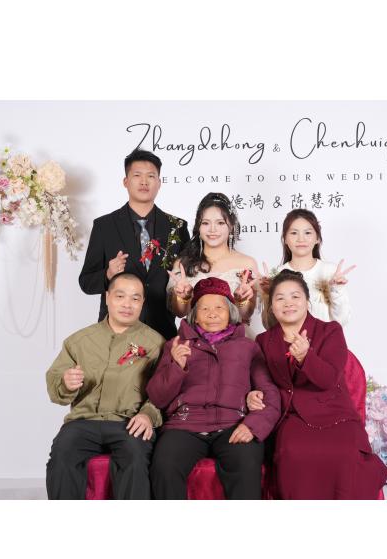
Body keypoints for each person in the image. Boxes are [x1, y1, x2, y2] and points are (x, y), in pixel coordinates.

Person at [250, 269, 387, 499]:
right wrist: (253, 394)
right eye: (280, 298)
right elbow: (262, 381)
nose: (288, 303)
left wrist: (307, 357)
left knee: (345, 453)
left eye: (295, 296)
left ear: (307, 302)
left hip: (334, 413)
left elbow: (329, 379)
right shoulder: (264, 340)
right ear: (272, 306)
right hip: (292, 416)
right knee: (292, 452)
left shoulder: (330, 331)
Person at [147, 277, 280, 500]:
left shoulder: (248, 347)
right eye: (204, 309)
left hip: (233, 424)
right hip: (184, 425)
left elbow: (270, 393)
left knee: (246, 464)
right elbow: (157, 397)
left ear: (230, 313)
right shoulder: (175, 345)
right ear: (194, 315)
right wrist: (176, 367)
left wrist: (253, 426)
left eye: (219, 308)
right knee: (165, 466)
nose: (212, 314)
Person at [45, 272, 165, 500]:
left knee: (135, 458)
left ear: (143, 302)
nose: (127, 304)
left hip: (129, 422)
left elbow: (163, 391)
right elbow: (56, 383)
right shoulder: (79, 341)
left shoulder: (155, 343)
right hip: (83, 422)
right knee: (62, 456)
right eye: (120, 296)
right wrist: (66, 383)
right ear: (107, 297)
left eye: (135, 298)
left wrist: (148, 414)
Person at [79, 148, 190, 340]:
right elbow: (86, 282)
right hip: (115, 334)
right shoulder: (104, 226)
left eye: (151, 176)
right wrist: (108, 274)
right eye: (137, 175)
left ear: (159, 183)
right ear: (126, 181)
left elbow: (187, 278)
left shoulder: (177, 227)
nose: (144, 182)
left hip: (163, 332)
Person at [167, 192, 257, 324]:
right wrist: (183, 298)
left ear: (231, 226)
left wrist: (242, 300)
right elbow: (180, 313)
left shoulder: (247, 263)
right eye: (205, 223)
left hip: (236, 335)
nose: (213, 230)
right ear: (198, 227)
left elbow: (246, 314)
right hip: (194, 335)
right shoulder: (183, 264)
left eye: (220, 223)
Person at [259, 209, 354, 329]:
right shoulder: (276, 275)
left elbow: (341, 321)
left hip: (325, 340)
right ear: (285, 239)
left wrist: (336, 290)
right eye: (294, 233)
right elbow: (269, 326)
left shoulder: (330, 272)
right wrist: (267, 296)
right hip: (289, 341)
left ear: (317, 238)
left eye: (308, 233)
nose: (301, 239)